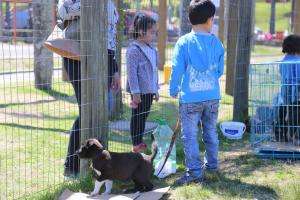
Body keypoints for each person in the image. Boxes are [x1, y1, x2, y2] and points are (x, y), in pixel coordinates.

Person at [57, 0, 121, 177]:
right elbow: (62, 11)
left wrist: (114, 69)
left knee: (100, 110)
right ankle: (72, 166)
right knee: (86, 111)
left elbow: (110, 35)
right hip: (77, 53)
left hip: (105, 56)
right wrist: (90, 6)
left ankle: (96, 165)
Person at [169, 0, 224, 185]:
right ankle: (212, 166)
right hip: (212, 97)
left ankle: (194, 172)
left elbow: (177, 68)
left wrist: (174, 88)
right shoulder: (217, 43)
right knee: (210, 132)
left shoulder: (183, 42)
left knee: (190, 136)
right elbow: (219, 70)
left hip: (190, 99)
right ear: (209, 20)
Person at [126, 13, 162, 153]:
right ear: (141, 31)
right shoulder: (134, 50)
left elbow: (153, 71)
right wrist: (135, 92)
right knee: (137, 117)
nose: (154, 35)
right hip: (139, 92)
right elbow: (131, 73)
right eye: (152, 32)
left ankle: (139, 140)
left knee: (144, 115)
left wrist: (156, 89)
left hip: (149, 91)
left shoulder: (152, 50)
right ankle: (136, 143)